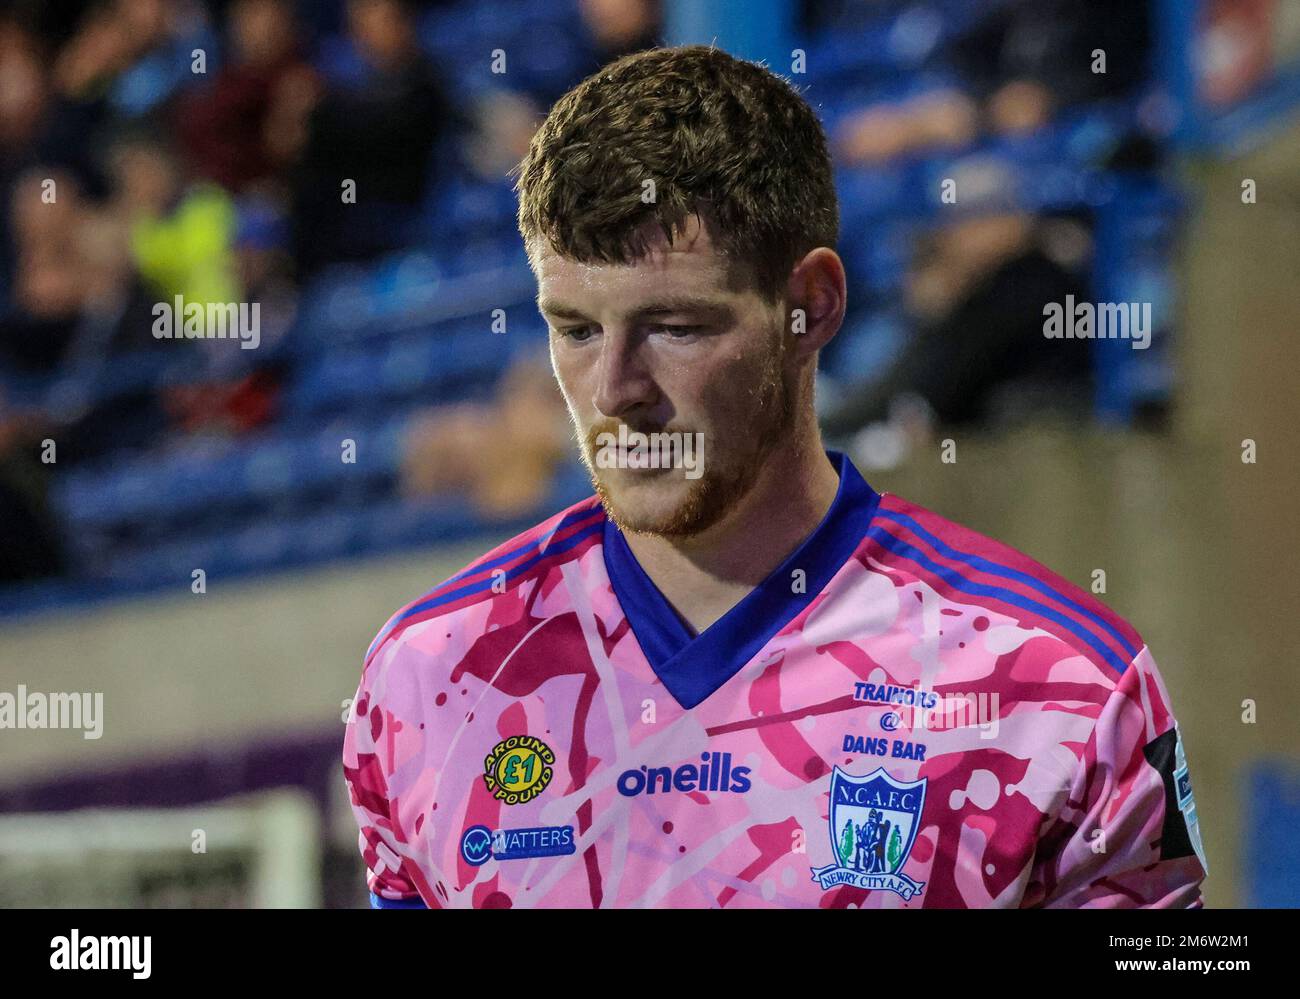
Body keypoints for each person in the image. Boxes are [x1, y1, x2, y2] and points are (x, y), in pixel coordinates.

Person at [342, 46, 1207, 909]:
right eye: (574, 330)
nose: (614, 391)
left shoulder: (1062, 688)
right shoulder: (429, 682)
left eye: (674, 326)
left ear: (813, 306)